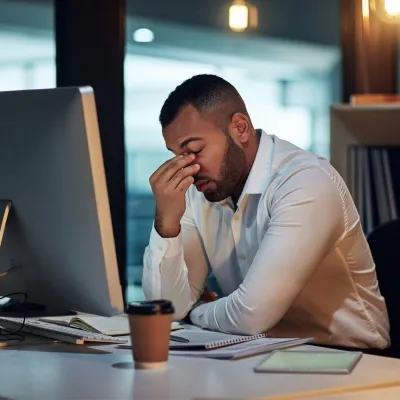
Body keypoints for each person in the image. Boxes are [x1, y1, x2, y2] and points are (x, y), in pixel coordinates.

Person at [142, 74, 390, 349]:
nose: (186, 167)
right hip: (259, 352)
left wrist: (196, 312)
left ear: (240, 128)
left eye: (195, 150)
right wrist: (166, 223)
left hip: (349, 357)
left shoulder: (305, 182)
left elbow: (250, 315)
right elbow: (165, 309)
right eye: (176, 155)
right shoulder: (198, 190)